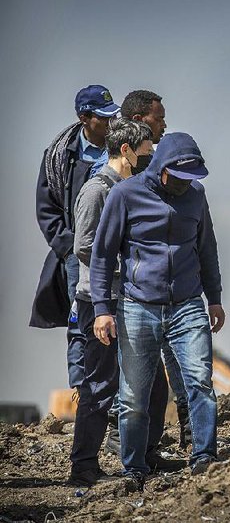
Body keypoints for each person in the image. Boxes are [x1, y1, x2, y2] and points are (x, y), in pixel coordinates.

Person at [91, 132, 225, 489]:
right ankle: (133, 468)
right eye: (180, 177)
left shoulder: (196, 195)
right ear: (163, 169)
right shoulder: (125, 195)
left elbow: (207, 248)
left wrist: (214, 298)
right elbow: (102, 255)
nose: (186, 184)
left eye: (192, 177)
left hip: (187, 304)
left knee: (199, 381)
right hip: (137, 307)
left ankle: (204, 456)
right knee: (134, 394)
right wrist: (102, 309)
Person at [69, 119, 182, 485]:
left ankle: (146, 457)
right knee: (101, 386)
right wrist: (131, 262)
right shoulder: (96, 191)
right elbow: (85, 246)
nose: (151, 157)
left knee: (151, 385)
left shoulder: (134, 189)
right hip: (100, 302)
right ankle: (83, 468)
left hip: (133, 301)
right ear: (126, 151)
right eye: (147, 152)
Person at [98, 90, 192, 454]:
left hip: (161, 288)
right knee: (133, 372)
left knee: (175, 364)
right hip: (132, 293)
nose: (164, 124)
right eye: (158, 118)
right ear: (139, 121)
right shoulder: (109, 184)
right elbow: (96, 246)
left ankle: (182, 432)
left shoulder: (157, 168)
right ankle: (124, 443)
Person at [31, 85, 119, 393]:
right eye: (103, 117)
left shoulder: (120, 151)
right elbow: (47, 210)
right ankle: (85, 393)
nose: (111, 122)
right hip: (76, 258)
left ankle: (114, 398)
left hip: (116, 255)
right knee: (81, 326)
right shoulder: (60, 156)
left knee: (117, 323)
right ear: (84, 118)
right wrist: (70, 248)